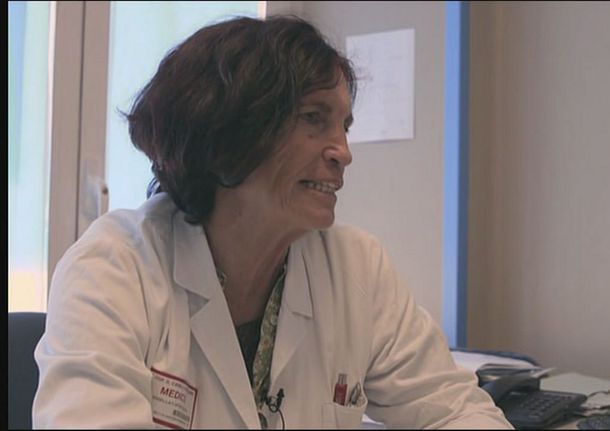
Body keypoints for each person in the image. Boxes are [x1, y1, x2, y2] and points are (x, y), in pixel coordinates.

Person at [33, 15, 512, 429]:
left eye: (344, 126)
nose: (343, 152)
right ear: (227, 133)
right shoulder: (113, 270)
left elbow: (456, 409)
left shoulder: (356, 269)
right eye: (314, 118)